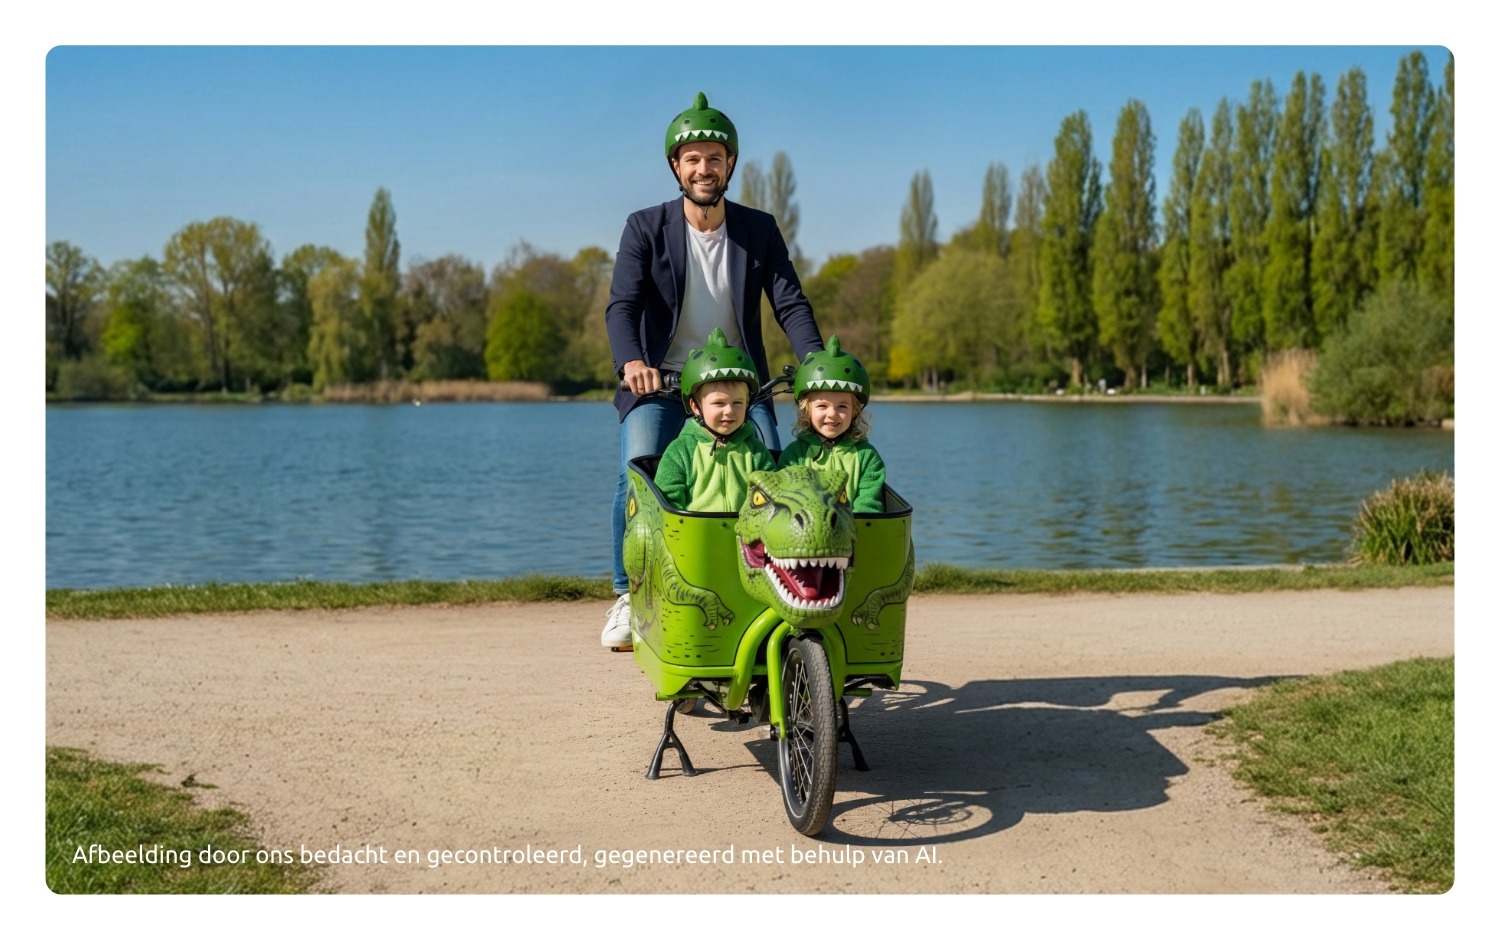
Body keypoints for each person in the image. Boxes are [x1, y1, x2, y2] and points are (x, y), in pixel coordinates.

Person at [602, 91, 824, 650]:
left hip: (739, 386)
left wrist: (815, 362)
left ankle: (776, 581)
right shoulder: (644, 228)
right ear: (676, 167)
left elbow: (789, 303)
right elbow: (621, 306)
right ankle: (628, 592)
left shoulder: (758, 229)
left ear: (730, 164)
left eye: (715, 158)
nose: (704, 168)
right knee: (641, 473)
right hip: (662, 381)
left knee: (776, 475)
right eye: (693, 158)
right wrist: (632, 362)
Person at [654, 329, 775, 511]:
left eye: (737, 403)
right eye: (719, 403)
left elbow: (772, 495)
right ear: (696, 406)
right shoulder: (680, 451)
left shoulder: (756, 451)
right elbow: (668, 501)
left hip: (743, 536)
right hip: (695, 536)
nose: (729, 411)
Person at [776, 336, 887, 514]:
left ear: (855, 411)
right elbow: (785, 502)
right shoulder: (794, 455)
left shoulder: (867, 456)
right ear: (807, 410)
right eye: (822, 406)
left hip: (853, 537)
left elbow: (869, 504)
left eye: (842, 406)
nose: (832, 414)